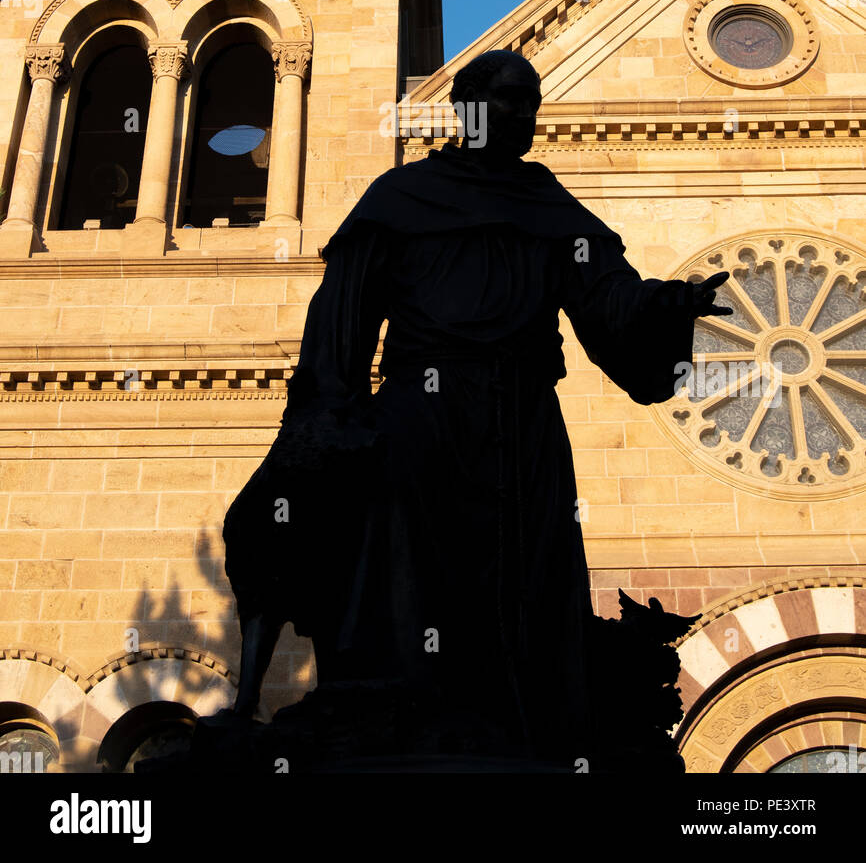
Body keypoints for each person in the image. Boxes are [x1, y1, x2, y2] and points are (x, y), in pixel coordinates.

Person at [221, 50, 730, 763]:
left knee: (528, 587)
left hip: (523, 425)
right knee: (411, 583)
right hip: (420, 420)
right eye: (513, 102)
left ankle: (527, 735)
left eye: (534, 104)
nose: (527, 117)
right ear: (469, 109)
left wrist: (667, 305)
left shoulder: (547, 205)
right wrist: (330, 414)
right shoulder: (400, 199)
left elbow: (610, 302)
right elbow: (339, 320)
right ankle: (404, 722)